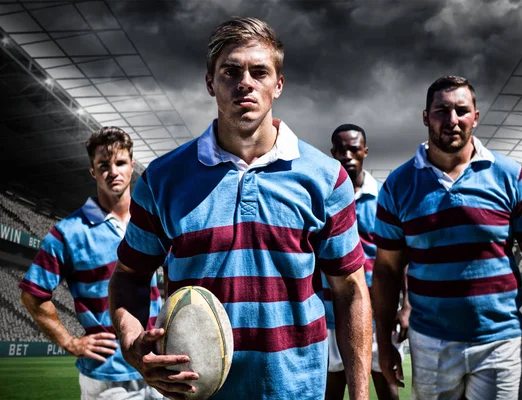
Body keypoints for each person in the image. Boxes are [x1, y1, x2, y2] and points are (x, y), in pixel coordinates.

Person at [108, 17, 372, 400]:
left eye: (259, 71)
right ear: (210, 82)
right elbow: (129, 276)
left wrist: (361, 395)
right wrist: (132, 342)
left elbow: (350, 290)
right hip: (197, 390)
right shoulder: (162, 179)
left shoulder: (325, 178)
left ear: (278, 84)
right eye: (230, 71)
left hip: (297, 390)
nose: (245, 82)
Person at [371, 76, 522, 399]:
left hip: (500, 341)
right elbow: (387, 271)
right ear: (425, 117)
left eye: (461, 110)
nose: (452, 120)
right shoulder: (397, 185)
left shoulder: (511, 176)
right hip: (430, 343)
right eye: (441, 111)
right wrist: (386, 345)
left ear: (475, 116)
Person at [19, 127, 162, 399]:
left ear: (132, 166)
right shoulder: (68, 232)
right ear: (93, 172)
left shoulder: (151, 221)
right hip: (107, 376)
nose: (113, 171)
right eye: (103, 165)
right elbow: (32, 295)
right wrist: (69, 341)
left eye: (120, 163)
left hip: (156, 363)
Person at [324, 124, 404, 400]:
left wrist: (406, 307)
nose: (347, 155)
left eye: (354, 148)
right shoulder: (321, 199)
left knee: (387, 390)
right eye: (341, 149)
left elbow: (400, 259)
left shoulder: (384, 198)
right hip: (331, 315)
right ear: (332, 153)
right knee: (331, 392)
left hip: (378, 314)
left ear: (365, 151)